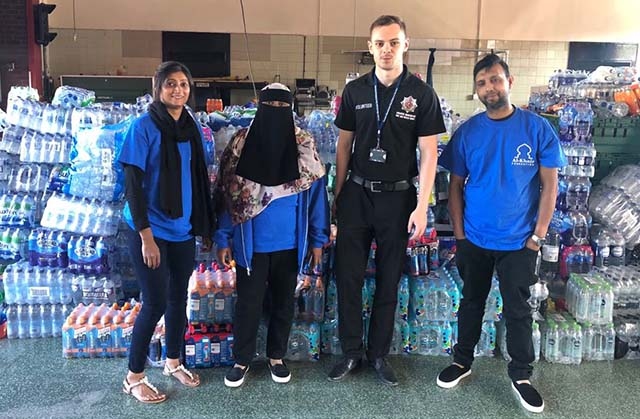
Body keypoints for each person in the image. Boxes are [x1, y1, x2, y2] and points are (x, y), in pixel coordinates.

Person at [436, 54, 566, 413]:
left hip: (519, 242)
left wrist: (536, 238)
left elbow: (550, 188)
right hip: (475, 239)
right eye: (481, 83)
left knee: (518, 310)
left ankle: (521, 374)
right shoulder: (469, 132)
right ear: (476, 90)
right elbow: (455, 187)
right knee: (471, 303)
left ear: (509, 81)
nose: (489, 88)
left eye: (494, 79)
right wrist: (460, 237)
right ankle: (462, 361)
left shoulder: (537, 129)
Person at [328, 15, 445, 386]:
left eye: (394, 42)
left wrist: (422, 205)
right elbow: (343, 145)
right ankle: (351, 353)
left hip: (398, 198)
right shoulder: (355, 92)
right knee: (347, 276)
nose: (386, 50)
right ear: (370, 48)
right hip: (357, 195)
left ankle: (378, 354)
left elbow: (429, 153)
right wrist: (338, 193)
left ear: (405, 45)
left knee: (388, 279)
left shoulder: (421, 94)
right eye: (380, 43)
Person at [214, 83, 329, 388]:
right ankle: (242, 360)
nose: (276, 113)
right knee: (248, 304)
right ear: (260, 108)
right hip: (251, 247)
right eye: (271, 107)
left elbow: (317, 198)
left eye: (283, 107)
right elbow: (227, 196)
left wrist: (317, 241)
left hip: (291, 244)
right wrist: (223, 237)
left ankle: (276, 357)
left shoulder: (304, 144)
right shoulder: (240, 144)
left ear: (290, 110)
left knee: (283, 303)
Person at [118, 61, 215, 403]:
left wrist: (202, 225)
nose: (178, 89)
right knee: (155, 301)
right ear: (158, 88)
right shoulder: (143, 127)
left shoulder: (190, 127)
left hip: (182, 229)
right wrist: (146, 235)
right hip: (151, 230)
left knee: (178, 299)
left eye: (184, 84)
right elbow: (132, 183)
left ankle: (173, 361)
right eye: (171, 84)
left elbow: (199, 181)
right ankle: (133, 377)